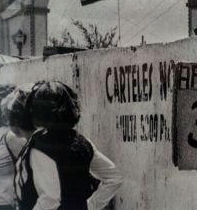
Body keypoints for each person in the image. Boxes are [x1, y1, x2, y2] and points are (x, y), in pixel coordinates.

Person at [14, 81, 123, 210]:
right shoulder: (82, 142)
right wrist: (89, 206)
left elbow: (50, 200)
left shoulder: (40, 146)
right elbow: (114, 177)